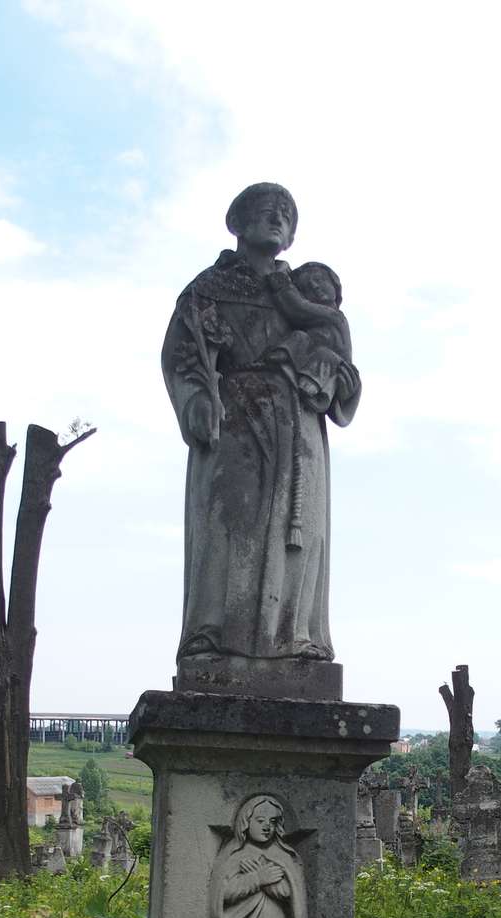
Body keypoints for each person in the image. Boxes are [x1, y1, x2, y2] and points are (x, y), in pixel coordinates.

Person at [161, 183, 362, 664]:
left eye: (286, 214)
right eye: (266, 210)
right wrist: (196, 402)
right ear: (237, 221)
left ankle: (295, 637)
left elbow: (344, 372)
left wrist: (326, 375)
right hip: (235, 419)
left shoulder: (306, 293)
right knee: (231, 524)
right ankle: (212, 636)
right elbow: (181, 357)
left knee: (299, 532)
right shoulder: (206, 290)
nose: (276, 219)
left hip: (299, 429)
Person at [263, 261, 353, 415]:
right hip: (311, 353)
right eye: (306, 287)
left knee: (322, 355)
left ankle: (310, 384)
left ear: (335, 284)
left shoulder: (334, 316)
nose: (315, 287)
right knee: (300, 337)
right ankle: (283, 356)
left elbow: (297, 307)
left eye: (319, 280)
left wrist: (280, 278)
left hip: (331, 363)